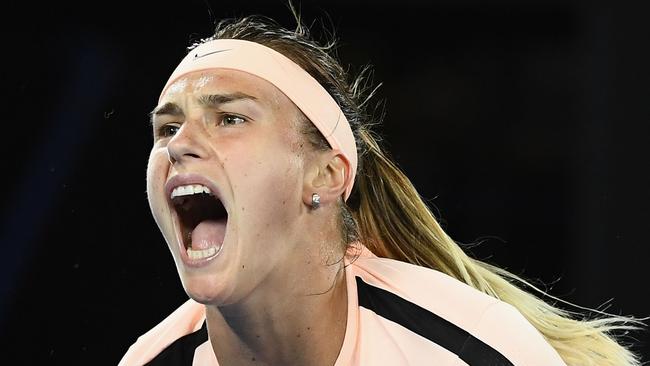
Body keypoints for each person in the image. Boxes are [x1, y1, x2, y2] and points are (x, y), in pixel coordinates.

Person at [118, 7, 644, 366]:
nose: (180, 142)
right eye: (167, 128)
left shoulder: (471, 349)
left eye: (229, 118)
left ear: (326, 174)